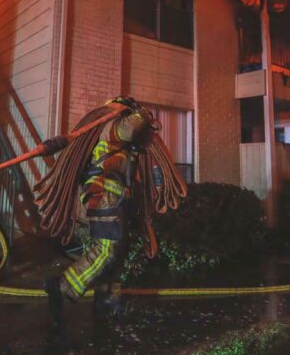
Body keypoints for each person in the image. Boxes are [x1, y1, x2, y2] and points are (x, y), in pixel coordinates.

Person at [34, 97, 187, 324]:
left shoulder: (126, 146)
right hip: (105, 196)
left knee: (118, 255)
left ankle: (107, 300)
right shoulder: (113, 129)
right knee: (106, 250)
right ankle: (61, 287)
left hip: (116, 199)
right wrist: (141, 112)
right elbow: (132, 126)